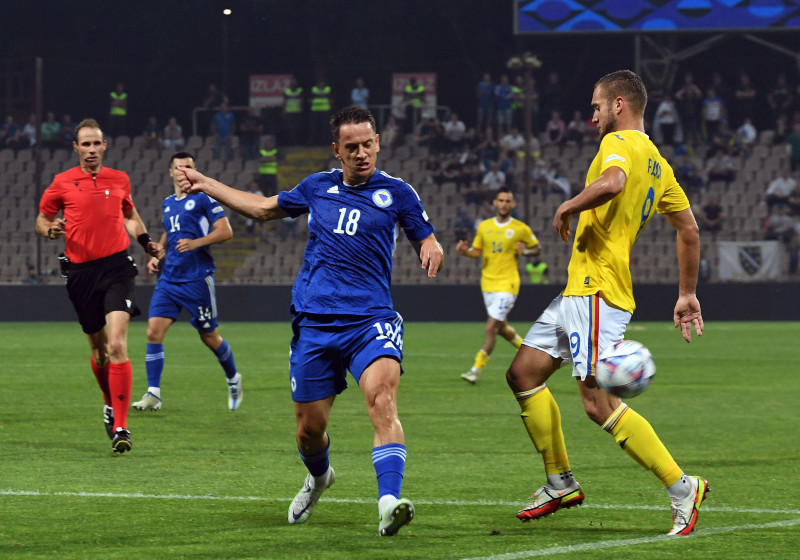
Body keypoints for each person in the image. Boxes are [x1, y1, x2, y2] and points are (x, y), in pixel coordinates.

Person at [174, 106, 444, 536]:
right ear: (337, 150)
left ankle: (388, 503)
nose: (361, 154)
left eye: (367, 145)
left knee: (382, 400)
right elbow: (263, 209)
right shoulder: (316, 187)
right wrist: (206, 183)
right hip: (314, 324)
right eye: (351, 147)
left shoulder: (399, 193)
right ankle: (320, 478)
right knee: (309, 431)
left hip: (370, 320)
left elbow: (425, 236)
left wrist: (432, 247)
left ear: (378, 143)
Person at [505, 70, 707, 537]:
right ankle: (559, 482)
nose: (592, 115)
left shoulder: (620, 145)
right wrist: (687, 292)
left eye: (596, 106)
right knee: (523, 374)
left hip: (597, 290)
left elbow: (613, 182)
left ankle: (682, 488)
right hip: (580, 290)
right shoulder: (658, 162)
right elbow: (689, 230)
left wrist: (568, 205)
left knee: (597, 403)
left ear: (619, 104)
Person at [35, 118, 162, 453]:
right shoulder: (62, 182)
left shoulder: (119, 179)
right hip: (80, 274)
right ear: (76, 148)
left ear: (105, 146)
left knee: (118, 346)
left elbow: (131, 216)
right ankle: (109, 401)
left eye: (97, 143)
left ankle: (121, 427)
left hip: (117, 268)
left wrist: (146, 241)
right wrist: (50, 230)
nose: (91, 149)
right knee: (98, 350)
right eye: (85, 144)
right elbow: (42, 219)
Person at [132, 151, 242, 412]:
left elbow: (226, 231)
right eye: (178, 168)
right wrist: (157, 253)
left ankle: (233, 377)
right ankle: (153, 394)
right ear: (171, 171)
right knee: (153, 332)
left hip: (197, 279)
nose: (183, 171)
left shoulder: (203, 199)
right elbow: (170, 233)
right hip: (170, 278)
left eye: (188, 167)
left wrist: (196, 243)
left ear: (194, 171)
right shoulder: (168, 202)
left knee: (209, 337)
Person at [456, 188, 539, 384]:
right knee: (502, 328)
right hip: (488, 284)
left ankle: (475, 371)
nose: (503, 204)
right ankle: (531, 354)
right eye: (500, 200)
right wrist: (464, 252)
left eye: (507, 201)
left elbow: (537, 249)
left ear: (513, 205)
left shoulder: (520, 228)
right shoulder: (484, 227)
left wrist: (525, 252)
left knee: (491, 327)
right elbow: (477, 251)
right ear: (495, 203)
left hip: (507, 285)